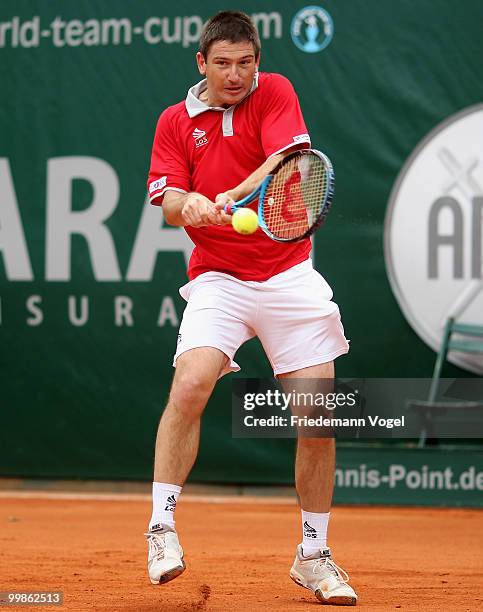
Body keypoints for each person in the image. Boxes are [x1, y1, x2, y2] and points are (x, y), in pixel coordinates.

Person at [145, 10, 357, 607]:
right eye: (223, 64)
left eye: (245, 63)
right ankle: (161, 529)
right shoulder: (174, 123)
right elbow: (169, 203)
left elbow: (290, 162)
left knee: (318, 417)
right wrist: (194, 207)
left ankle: (313, 556)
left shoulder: (276, 92)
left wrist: (236, 194)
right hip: (219, 278)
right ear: (201, 63)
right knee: (190, 384)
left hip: (290, 275)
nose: (235, 75)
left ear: (256, 62)